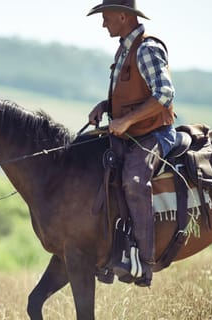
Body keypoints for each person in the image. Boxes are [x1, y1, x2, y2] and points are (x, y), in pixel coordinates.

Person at [86, 0, 176, 287]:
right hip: (131, 134)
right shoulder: (124, 48)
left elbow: (164, 95)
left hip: (154, 134)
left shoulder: (147, 48)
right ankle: (113, 252)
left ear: (123, 16)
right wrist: (106, 105)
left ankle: (145, 264)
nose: (103, 23)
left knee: (135, 181)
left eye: (106, 17)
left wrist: (126, 121)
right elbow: (132, 95)